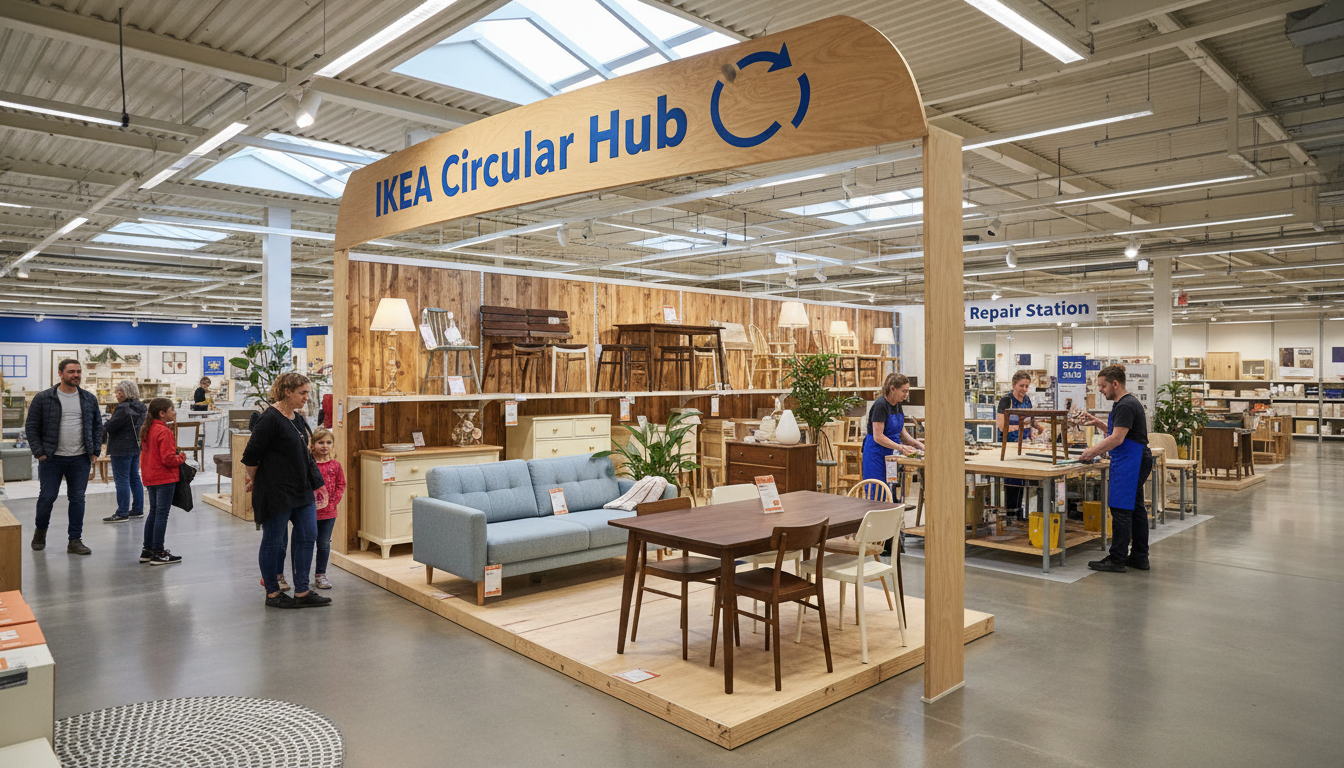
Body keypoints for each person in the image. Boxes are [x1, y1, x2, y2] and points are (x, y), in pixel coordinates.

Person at [243, 372, 331, 609]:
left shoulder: (297, 418)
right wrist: (256, 480)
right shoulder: (269, 418)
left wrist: (318, 484)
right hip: (276, 493)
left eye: (307, 393)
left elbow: (306, 455)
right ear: (287, 391)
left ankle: (302, 591)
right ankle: (273, 593)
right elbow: (251, 457)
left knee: (307, 537)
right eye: (302, 393)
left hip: (302, 492)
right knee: (273, 542)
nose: (306, 397)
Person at [1079, 364, 1153, 573]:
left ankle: (1117, 558)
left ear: (1115, 383)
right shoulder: (1124, 403)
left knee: (1121, 509)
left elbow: (1118, 438)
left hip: (1132, 459)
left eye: (1102, 386)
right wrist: (1099, 424)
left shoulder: (1126, 405)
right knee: (1136, 509)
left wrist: (1090, 452)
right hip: (1134, 457)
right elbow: (1120, 431)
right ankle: (1139, 556)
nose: (1100, 390)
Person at [25, 359, 103, 555]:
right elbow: (32, 427)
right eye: (71, 372)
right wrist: (39, 452)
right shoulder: (43, 398)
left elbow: (97, 425)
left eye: (78, 371)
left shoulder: (88, 399)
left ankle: (75, 540)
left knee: (77, 499)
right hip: (51, 458)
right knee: (47, 497)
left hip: (80, 458)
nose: (75, 375)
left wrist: (95, 450)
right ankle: (40, 532)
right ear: (60, 374)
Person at [138, 397, 186, 565]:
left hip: (151, 476)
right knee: (161, 515)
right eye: (172, 409)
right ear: (162, 413)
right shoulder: (164, 431)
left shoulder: (148, 429)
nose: (174, 412)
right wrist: (180, 458)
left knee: (154, 512)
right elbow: (168, 459)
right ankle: (158, 552)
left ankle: (147, 550)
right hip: (164, 477)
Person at [861, 373, 925, 491]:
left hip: (891, 454)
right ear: (892, 389)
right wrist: (901, 447)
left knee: (890, 490)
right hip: (876, 453)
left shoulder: (897, 405)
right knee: (877, 491)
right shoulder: (881, 405)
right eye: (904, 391)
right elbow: (878, 436)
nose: (906, 395)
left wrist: (919, 445)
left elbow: (903, 433)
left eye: (907, 391)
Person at [102, 380, 148, 523]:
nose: (117, 394)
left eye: (120, 391)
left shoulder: (122, 408)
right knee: (134, 477)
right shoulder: (142, 406)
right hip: (135, 446)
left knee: (121, 480)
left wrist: (104, 424)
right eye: (116, 391)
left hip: (121, 448)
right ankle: (138, 509)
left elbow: (111, 426)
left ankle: (122, 512)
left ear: (128, 392)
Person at [309, 427, 346, 590]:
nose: (325, 446)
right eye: (320, 442)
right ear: (313, 444)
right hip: (309, 512)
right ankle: (301, 575)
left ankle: (320, 574)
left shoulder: (335, 465)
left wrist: (334, 501)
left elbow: (341, 484)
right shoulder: (309, 465)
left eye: (328, 442)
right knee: (306, 543)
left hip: (329, 513)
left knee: (324, 543)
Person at [996, 371, 1036, 519]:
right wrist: (1022, 427)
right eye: (1021, 386)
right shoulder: (1006, 400)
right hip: (1009, 446)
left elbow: (1030, 421)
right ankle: (1011, 514)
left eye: (1027, 386)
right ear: (1014, 385)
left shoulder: (1027, 400)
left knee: (1022, 479)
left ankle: (1019, 514)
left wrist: (1034, 431)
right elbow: (1001, 426)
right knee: (1012, 480)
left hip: (1024, 445)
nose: (1024, 389)